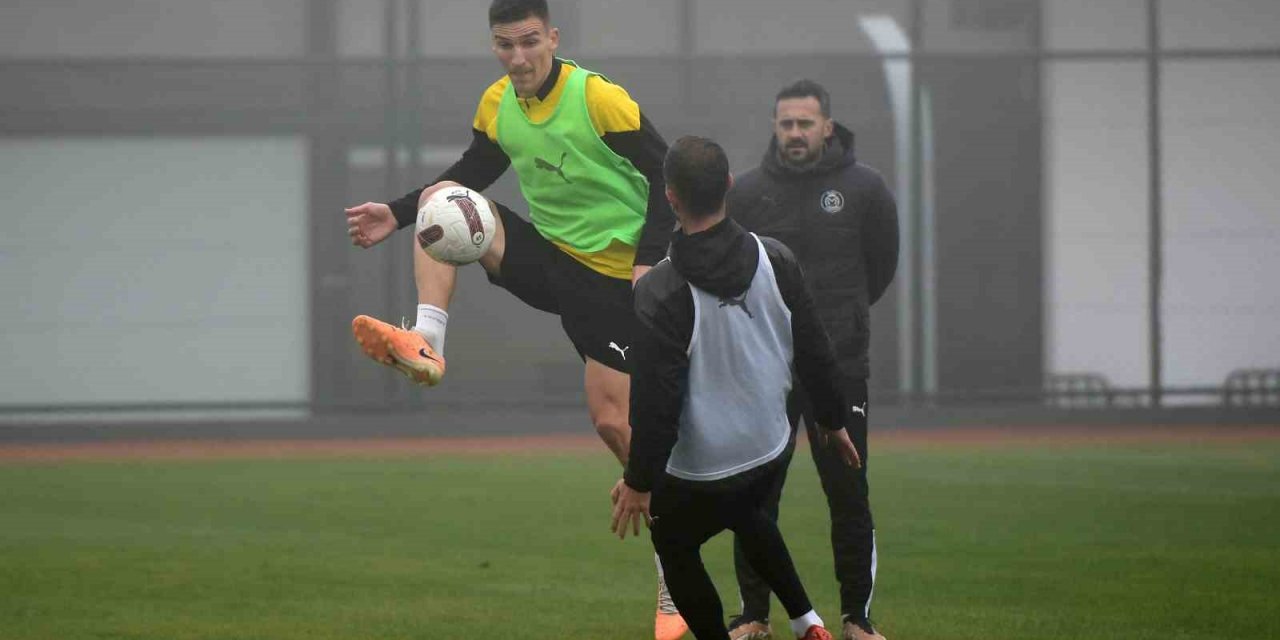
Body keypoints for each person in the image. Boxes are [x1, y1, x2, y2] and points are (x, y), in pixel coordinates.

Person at [341, 1, 687, 637]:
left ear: (552, 37)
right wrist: (397, 211)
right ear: (494, 46)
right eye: (505, 45)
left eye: (529, 42)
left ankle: (674, 566)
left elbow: (671, 178)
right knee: (443, 208)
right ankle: (428, 343)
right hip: (551, 260)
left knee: (612, 421)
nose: (518, 57)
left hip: (616, 285)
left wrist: (648, 261)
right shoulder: (497, 102)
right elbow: (473, 173)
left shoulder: (600, 99)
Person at [611, 135, 862, 640]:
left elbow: (655, 402)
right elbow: (816, 350)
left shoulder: (659, 290)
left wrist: (639, 482)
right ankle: (808, 622)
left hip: (700, 469)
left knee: (675, 544)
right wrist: (833, 421)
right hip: (770, 449)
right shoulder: (778, 259)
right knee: (748, 513)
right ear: (728, 185)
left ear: (670, 197)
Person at [723, 79, 899, 640]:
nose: (795, 133)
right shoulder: (748, 194)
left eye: (805, 123)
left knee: (848, 495)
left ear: (827, 126)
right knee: (754, 498)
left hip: (840, 368)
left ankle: (857, 620)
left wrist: (838, 326)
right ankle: (754, 617)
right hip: (766, 371)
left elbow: (881, 266)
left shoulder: (865, 188)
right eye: (785, 124)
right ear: (775, 127)